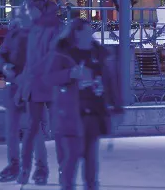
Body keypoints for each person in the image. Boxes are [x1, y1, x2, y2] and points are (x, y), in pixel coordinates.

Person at [45, 19, 123, 190]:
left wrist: (116, 105)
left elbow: (110, 81)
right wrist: (70, 73)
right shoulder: (63, 53)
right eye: (86, 32)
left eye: (91, 32)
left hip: (93, 113)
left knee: (91, 160)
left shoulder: (98, 54)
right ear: (76, 33)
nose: (90, 36)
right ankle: (67, 186)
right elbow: (49, 77)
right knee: (72, 157)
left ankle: (91, 186)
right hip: (71, 114)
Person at [0, 6, 45, 183]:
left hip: (31, 87)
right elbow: (1, 54)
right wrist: (4, 66)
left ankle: (40, 168)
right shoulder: (14, 34)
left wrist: (23, 77)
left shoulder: (38, 35)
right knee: (12, 130)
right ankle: (14, 164)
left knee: (34, 130)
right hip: (13, 87)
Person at [16, 0, 61, 186]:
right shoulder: (33, 30)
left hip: (51, 84)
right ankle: (34, 168)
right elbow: (30, 60)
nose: (27, 13)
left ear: (37, 9)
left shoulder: (54, 28)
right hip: (35, 85)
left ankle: (60, 166)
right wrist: (22, 87)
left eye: (28, 10)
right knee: (33, 130)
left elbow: (53, 56)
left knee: (58, 130)